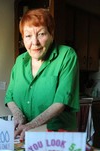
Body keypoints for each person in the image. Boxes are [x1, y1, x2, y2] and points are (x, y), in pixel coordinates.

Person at [5, 8, 79, 141]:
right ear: (23, 39)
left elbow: (61, 102)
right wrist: (19, 116)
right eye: (28, 36)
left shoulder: (67, 55)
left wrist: (31, 125)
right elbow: (9, 96)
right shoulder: (20, 61)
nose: (35, 42)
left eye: (41, 34)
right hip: (26, 138)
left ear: (52, 34)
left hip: (58, 139)